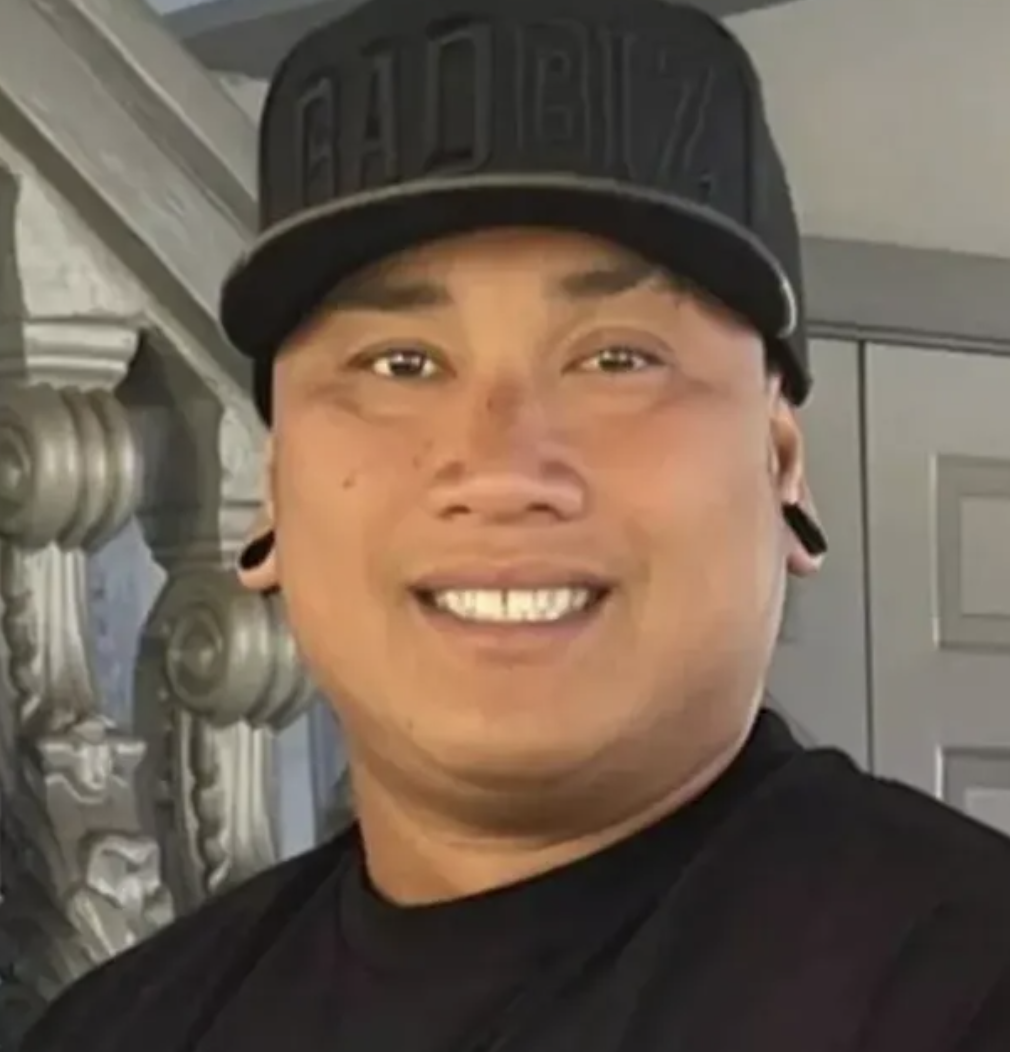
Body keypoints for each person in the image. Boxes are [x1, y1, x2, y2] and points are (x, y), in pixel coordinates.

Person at [23, 0, 1010, 1049]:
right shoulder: (118, 1027)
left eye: (617, 358)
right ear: (273, 492)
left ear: (781, 464)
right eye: (400, 363)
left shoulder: (960, 984)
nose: (499, 467)